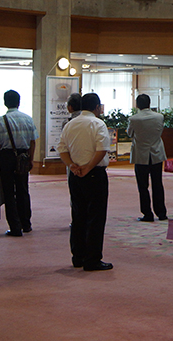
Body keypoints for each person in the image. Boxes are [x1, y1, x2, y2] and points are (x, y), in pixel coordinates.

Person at [58, 92, 113, 271]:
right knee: (96, 217)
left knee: (78, 215)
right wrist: (88, 167)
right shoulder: (98, 123)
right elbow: (102, 149)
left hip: (75, 175)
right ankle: (92, 259)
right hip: (94, 174)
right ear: (97, 107)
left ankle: (78, 256)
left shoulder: (70, 124)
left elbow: (62, 149)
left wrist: (72, 166)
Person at [0, 90, 38, 237]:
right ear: (19, 102)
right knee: (23, 189)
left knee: (9, 192)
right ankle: (26, 224)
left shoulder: (0, 121)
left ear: (5, 103)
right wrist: (31, 159)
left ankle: (15, 227)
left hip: (6, 157)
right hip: (23, 156)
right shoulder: (28, 119)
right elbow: (33, 141)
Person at [127, 94, 168, 222]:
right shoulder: (159, 117)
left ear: (137, 105)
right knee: (157, 184)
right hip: (156, 154)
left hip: (141, 155)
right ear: (149, 103)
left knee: (143, 186)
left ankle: (147, 213)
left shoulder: (134, 119)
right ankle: (161, 213)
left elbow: (129, 133)